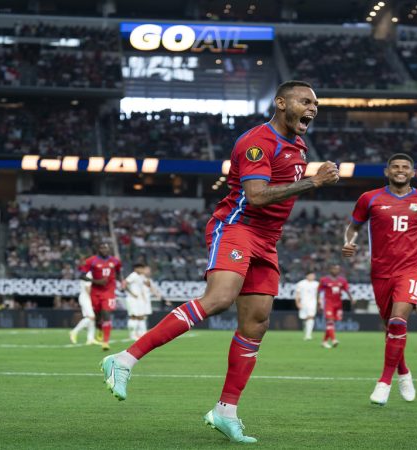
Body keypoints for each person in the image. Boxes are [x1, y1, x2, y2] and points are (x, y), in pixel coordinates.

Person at [100, 80, 339, 444]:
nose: (312, 108)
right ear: (280, 103)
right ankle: (125, 358)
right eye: (305, 101)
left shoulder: (299, 146)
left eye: (316, 104)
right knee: (219, 298)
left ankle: (225, 411)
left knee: (256, 323)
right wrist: (313, 183)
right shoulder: (257, 142)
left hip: (267, 241)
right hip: (237, 228)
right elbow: (256, 197)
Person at [342, 153, 417, 406]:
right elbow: (353, 227)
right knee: (391, 328)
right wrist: (349, 242)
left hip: (413, 268)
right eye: (395, 167)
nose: (400, 170)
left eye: (405, 167)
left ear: (413, 172)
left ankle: (384, 382)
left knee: (398, 322)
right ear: (387, 171)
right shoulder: (370, 199)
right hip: (381, 271)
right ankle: (404, 372)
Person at [78, 242, 123, 351]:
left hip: (109, 291)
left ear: (109, 249)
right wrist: (97, 281)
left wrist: (121, 281)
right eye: (102, 247)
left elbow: (118, 272)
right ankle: (100, 328)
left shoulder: (115, 261)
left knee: (106, 313)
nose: (104, 249)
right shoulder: (91, 261)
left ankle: (105, 342)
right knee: (98, 316)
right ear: (98, 249)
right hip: (95, 291)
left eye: (106, 247)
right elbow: (82, 276)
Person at [317, 264, 353, 348]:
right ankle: (334, 340)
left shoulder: (342, 280)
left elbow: (347, 290)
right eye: (334, 269)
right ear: (330, 270)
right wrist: (318, 302)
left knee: (332, 324)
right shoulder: (324, 280)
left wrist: (351, 299)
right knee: (330, 321)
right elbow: (319, 291)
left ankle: (324, 341)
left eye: (337, 269)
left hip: (338, 304)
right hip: (328, 303)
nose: (336, 270)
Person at [125, 264, 163, 340]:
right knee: (133, 316)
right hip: (132, 299)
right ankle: (132, 335)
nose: (143, 270)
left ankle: (140, 333)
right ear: (136, 269)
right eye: (142, 269)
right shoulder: (133, 275)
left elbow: (147, 285)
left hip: (138, 299)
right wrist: (132, 294)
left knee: (140, 316)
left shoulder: (140, 277)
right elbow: (125, 283)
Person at [69, 271, 98, 345]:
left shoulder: (91, 274)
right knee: (91, 317)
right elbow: (87, 287)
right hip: (85, 298)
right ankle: (74, 331)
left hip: (85, 297)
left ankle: (90, 339)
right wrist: (92, 299)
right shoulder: (89, 274)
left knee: (91, 319)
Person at [294, 272, 319, 341]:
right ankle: (306, 333)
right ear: (307, 275)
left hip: (312, 303)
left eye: (313, 275)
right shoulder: (301, 283)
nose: (312, 276)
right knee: (304, 318)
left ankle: (308, 335)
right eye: (311, 275)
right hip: (303, 303)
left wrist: (319, 302)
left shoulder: (316, 284)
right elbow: (297, 294)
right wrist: (297, 303)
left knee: (310, 317)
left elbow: (318, 294)